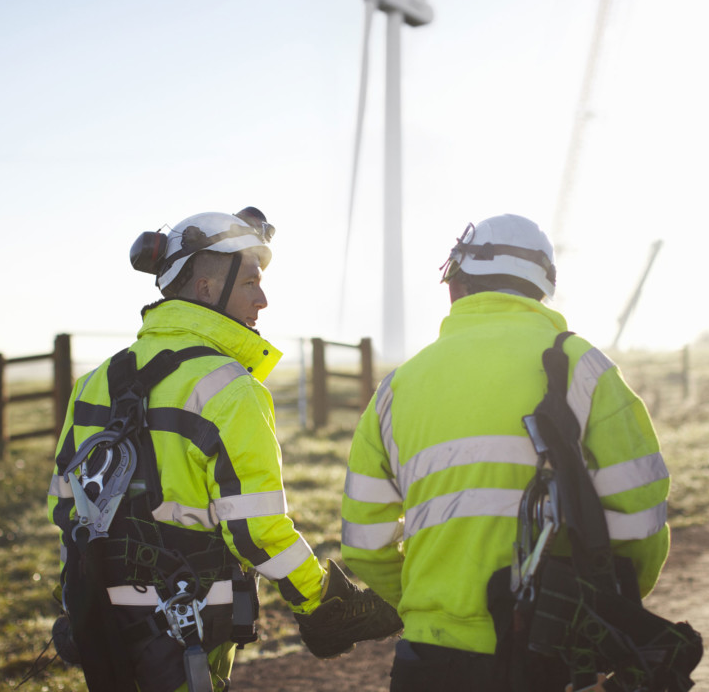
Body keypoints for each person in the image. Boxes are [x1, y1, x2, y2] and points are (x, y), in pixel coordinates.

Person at [48, 207, 401, 692]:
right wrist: (322, 605)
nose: (264, 299)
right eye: (251, 283)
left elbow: (65, 506)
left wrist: (76, 603)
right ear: (208, 290)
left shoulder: (94, 382)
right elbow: (257, 529)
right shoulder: (231, 389)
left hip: (101, 621)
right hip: (187, 624)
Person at [340, 214, 673, 691]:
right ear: (541, 291)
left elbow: (363, 542)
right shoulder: (585, 369)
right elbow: (640, 520)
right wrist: (599, 608)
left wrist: (423, 606)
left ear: (455, 285)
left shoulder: (396, 388)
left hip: (429, 656)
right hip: (547, 649)